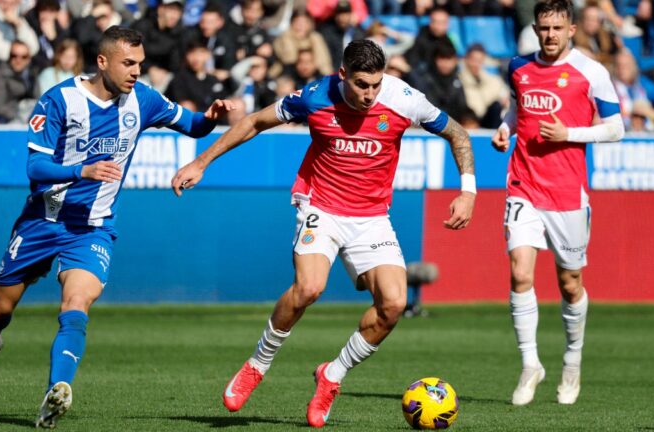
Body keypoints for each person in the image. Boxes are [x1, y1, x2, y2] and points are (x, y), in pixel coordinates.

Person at [171, 39, 476, 428]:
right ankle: (257, 364)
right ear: (343, 74)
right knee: (309, 288)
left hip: (371, 217)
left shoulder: (403, 98)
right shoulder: (315, 96)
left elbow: (459, 135)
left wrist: (467, 192)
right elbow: (253, 122)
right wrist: (201, 162)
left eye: (376, 85)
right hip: (321, 206)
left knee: (394, 304)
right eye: (362, 84)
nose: (369, 94)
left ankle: (332, 375)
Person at [0, 26, 232, 428]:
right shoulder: (60, 100)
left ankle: (55, 392)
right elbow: (34, 166)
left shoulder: (145, 99)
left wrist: (209, 118)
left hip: (92, 228)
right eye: (128, 63)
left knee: (76, 304)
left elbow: (193, 125)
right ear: (102, 62)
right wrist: (81, 170)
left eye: (140, 63)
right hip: (41, 221)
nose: (136, 71)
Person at [491, 0, 624, 406]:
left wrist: (570, 134)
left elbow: (616, 128)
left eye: (557, 28)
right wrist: (504, 128)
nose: (549, 35)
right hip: (523, 184)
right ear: (535, 28)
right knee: (520, 274)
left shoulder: (591, 71)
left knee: (570, 285)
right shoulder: (518, 67)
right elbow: (518, 108)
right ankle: (531, 364)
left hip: (567, 193)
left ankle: (572, 360)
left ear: (570, 30)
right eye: (543, 28)